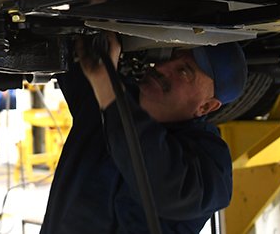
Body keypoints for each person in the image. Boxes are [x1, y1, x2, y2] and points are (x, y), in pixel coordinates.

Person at [40, 33, 248, 233]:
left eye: (184, 71)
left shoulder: (212, 164)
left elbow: (166, 186)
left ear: (206, 106)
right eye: (172, 57)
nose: (162, 67)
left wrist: (107, 87)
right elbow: (62, 48)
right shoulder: (109, 96)